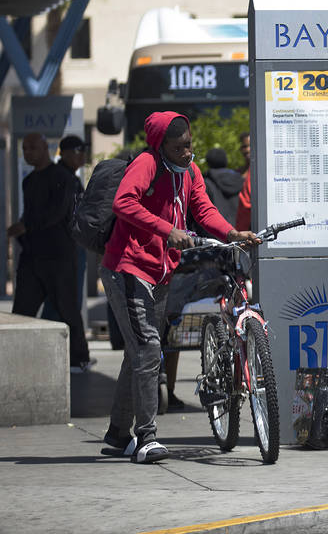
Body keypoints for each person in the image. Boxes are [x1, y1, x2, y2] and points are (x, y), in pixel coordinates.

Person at [100, 112, 259, 463]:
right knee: (148, 348)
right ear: (161, 146)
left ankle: (116, 434)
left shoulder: (190, 172)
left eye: (190, 144)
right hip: (127, 268)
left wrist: (231, 234)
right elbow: (123, 202)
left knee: (138, 351)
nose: (188, 152)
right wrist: (165, 230)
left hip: (160, 271)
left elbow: (203, 209)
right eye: (180, 147)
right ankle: (146, 438)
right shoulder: (146, 163)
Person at [7, 132, 93, 372]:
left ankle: (79, 358)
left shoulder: (63, 178)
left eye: (32, 148)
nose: (27, 153)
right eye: (24, 149)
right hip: (33, 257)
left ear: (45, 148)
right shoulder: (29, 181)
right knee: (22, 312)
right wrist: (23, 231)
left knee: (67, 307)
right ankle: (16, 359)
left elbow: (57, 213)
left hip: (60, 256)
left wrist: (25, 226)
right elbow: (30, 214)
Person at [41, 135, 89, 325]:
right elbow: (60, 214)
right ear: (67, 154)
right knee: (62, 301)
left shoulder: (70, 177)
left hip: (71, 246)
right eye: (80, 152)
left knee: (66, 300)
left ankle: (68, 350)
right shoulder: (61, 177)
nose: (83, 156)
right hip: (65, 247)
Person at [202, 147, 242, 222]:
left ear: (208, 162)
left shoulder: (206, 183)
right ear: (225, 161)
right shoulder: (240, 180)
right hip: (240, 229)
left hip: (216, 230)